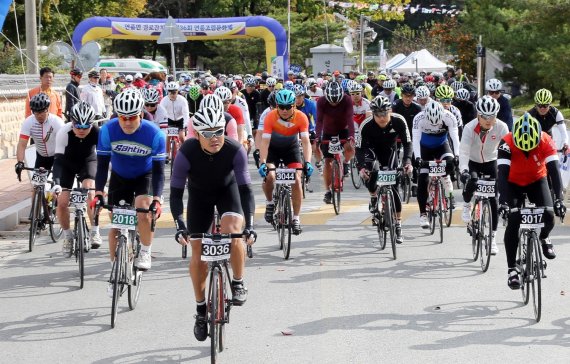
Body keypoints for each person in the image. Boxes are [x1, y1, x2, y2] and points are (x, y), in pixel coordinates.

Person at [170, 106, 256, 342]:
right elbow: (176, 193)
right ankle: (200, 311)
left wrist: (250, 225)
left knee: (233, 231)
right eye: (207, 133)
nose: (214, 137)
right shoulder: (186, 152)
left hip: (228, 193)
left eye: (218, 131)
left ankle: (238, 282)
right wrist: (179, 224)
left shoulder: (235, 149)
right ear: (196, 134)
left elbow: (246, 189)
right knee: (197, 252)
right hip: (200, 197)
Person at [93, 89, 165, 283]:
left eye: (132, 117)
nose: (126, 122)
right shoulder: (108, 130)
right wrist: (99, 193)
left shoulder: (155, 134)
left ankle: (146, 252)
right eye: (122, 117)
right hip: (119, 176)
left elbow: (159, 172)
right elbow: (101, 167)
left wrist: (157, 199)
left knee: (144, 211)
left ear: (140, 114)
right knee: (116, 223)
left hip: (145, 175)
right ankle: (115, 270)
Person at [497, 113, 566, 289]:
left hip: (537, 180)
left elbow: (555, 172)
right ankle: (512, 269)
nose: (527, 152)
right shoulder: (506, 142)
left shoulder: (546, 140)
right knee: (513, 220)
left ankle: (544, 238)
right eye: (523, 148)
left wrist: (559, 199)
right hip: (513, 183)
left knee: (549, 214)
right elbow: (502, 175)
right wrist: (504, 202)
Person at [356, 96, 412, 244]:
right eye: (378, 114)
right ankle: (374, 197)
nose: (381, 118)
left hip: (389, 151)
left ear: (390, 111)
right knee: (371, 173)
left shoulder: (399, 120)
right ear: (373, 113)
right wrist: (361, 168)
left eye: (384, 114)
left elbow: (408, 144)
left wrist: (407, 162)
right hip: (371, 151)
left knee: (394, 188)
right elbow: (359, 149)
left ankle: (398, 223)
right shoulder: (366, 125)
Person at [258, 89, 313, 234]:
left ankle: (296, 218)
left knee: (296, 178)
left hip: (291, 149)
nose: (284, 110)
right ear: (276, 105)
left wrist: (307, 162)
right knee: (270, 176)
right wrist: (263, 162)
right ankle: (270, 202)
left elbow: (306, 142)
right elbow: (264, 143)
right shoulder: (270, 117)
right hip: (273, 149)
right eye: (280, 107)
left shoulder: (301, 117)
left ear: (294, 105)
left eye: (288, 106)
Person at [459, 96, 509, 255]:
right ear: (478, 115)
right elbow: (464, 151)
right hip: (473, 161)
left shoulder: (502, 127)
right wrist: (463, 170)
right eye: (484, 117)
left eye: (492, 116)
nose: (488, 120)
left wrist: (507, 171)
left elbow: (508, 151)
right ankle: (467, 204)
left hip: (491, 161)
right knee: (471, 181)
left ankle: (493, 238)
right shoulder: (469, 127)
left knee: (494, 198)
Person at [51, 102, 102, 256]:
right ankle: (67, 236)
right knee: (62, 202)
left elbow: (105, 158)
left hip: (88, 161)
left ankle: (95, 230)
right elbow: (58, 161)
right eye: (77, 125)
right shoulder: (63, 132)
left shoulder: (98, 132)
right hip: (67, 163)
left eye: (85, 126)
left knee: (90, 193)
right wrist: (57, 183)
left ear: (91, 124)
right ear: (71, 122)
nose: (81, 130)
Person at [412, 101, 459, 228]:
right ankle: (423, 214)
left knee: (450, 164)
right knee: (423, 180)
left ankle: (445, 176)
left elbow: (455, 137)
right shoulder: (419, 118)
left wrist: (457, 155)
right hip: (424, 148)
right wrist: (417, 157)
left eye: (437, 123)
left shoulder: (449, 116)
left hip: (441, 146)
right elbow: (415, 139)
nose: (434, 125)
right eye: (431, 123)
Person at [315, 81, 355, 203]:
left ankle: (346, 162)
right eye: (331, 102)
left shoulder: (347, 100)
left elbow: (350, 118)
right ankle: (327, 191)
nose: (334, 104)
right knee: (328, 160)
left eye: (336, 102)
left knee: (349, 146)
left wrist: (351, 136)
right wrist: (318, 137)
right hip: (328, 131)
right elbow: (319, 121)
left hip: (343, 130)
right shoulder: (321, 101)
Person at [15, 93, 65, 175]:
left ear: (47, 109)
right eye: (36, 113)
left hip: (57, 156)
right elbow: (22, 145)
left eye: (42, 112)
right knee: (37, 185)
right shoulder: (28, 122)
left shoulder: (57, 122)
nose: (39, 116)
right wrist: (20, 162)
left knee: (58, 183)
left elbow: (66, 143)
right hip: (41, 157)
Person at [159, 81, 189, 160]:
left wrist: (186, 124)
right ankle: (167, 153)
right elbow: (161, 113)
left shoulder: (182, 100)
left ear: (177, 91)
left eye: (174, 92)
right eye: (170, 92)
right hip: (169, 119)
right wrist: (161, 123)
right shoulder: (164, 100)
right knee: (168, 136)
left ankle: (186, 152)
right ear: (167, 92)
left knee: (181, 137)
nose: (172, 94)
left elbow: (186, 113)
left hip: (180, 119)